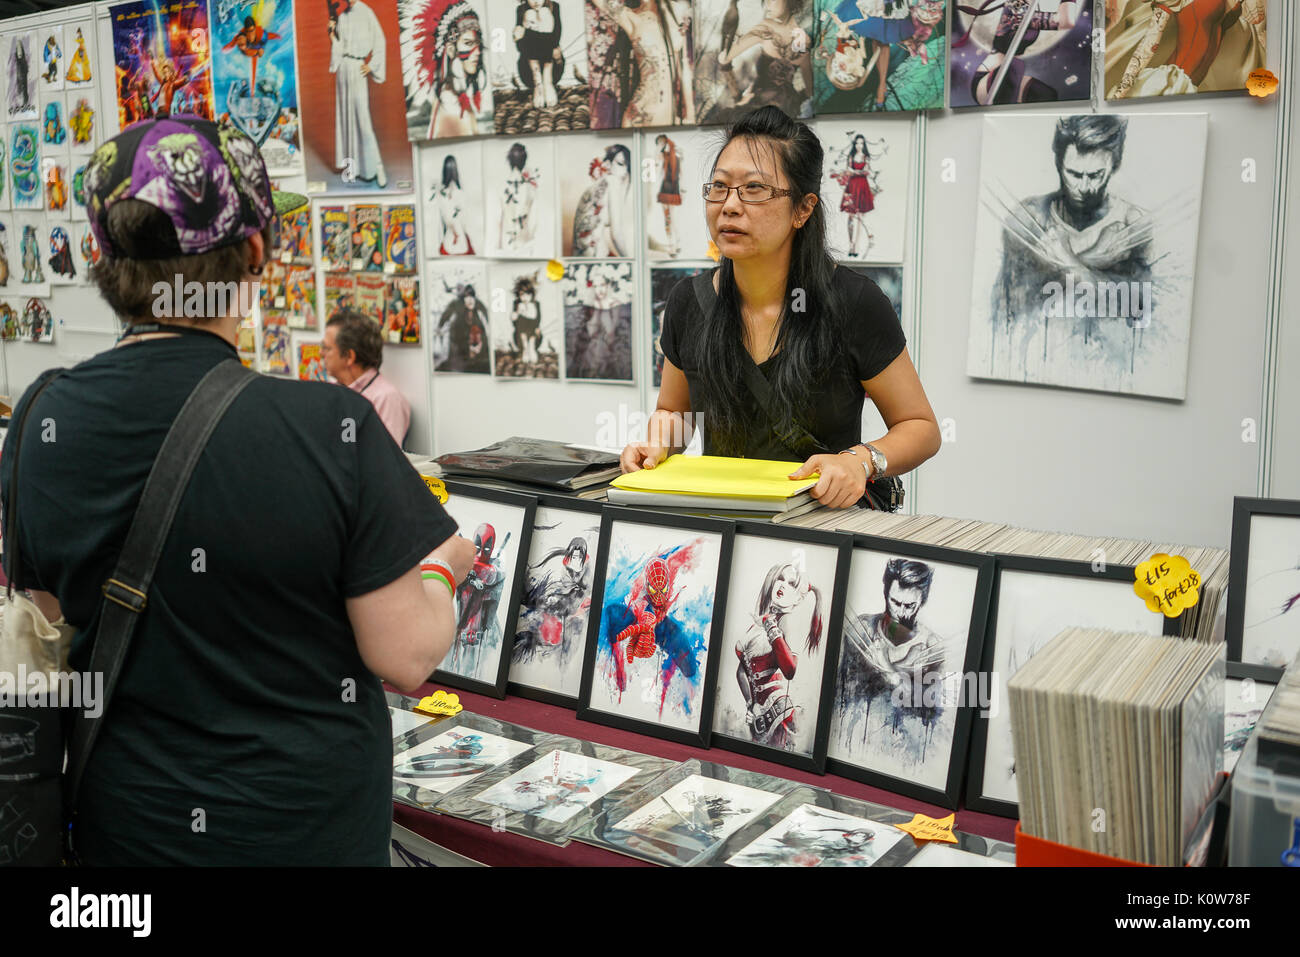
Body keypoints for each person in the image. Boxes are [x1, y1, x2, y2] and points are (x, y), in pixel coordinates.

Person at [0, 116, 474, 865]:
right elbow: (408, 654)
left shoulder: (40, 419)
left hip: (123, 842)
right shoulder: (331, 427)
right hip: (306, 839)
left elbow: (50, 625)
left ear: (105, 257)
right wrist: (447, 562)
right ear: (255, 251)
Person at [621, 106, 940, 510]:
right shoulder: (689, 302)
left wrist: (860, 461)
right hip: (723, 520)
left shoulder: (853, 303)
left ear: (803, 209)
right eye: (719, 187)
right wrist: (657, 443)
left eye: (754, 189)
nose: (730, 206)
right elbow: (673, 412)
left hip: (821, 524)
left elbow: (922, 428)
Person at [322, 306, 411, 447]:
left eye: (327, 348)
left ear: (349, 356)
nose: (322, 354)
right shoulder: (333, 391)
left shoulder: (386, 398)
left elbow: (385, 459)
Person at [328, 0, 389, 187]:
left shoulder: (366, 12)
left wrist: (371, 65)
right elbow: (340, 47)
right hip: (344, 70)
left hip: (357, 67)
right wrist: (332, 34)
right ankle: (352, 169)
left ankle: (377, 167)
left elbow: (381, 41)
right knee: (346, 119)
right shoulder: (343, 16)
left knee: (363, 120)